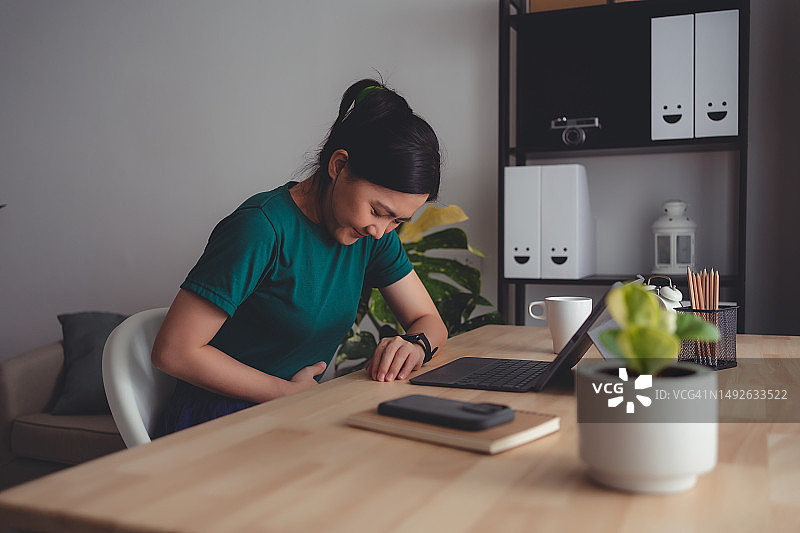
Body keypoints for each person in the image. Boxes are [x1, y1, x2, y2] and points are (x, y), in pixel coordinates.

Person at [151, 78, 448, 436]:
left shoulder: (371, 237)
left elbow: (428, 319)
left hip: (299, 412)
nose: (382, 229)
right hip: (219, 421)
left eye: (398, 220)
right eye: (378, 210)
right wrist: (286, 392)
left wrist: (415, 345)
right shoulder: (261, 229)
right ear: (338, 166)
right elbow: (174, 351)